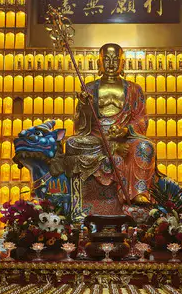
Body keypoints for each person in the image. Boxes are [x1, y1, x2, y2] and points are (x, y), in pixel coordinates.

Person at [65, 43, 156, 205]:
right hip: (97, 137)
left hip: (124, 138)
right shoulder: (89, 88)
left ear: (123, 62)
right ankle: (111, 149)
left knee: (145, 146)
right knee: (72, 142)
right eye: (106, 59)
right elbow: (81, 126)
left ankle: (139, 193)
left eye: (115, 59)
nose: (111, 63)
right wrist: (85, 107)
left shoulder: (134, 89)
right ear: (99, 63)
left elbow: (142, 118)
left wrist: (125, 130)